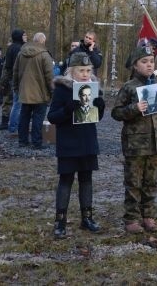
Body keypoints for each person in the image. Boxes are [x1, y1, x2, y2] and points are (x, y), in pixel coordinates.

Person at [112, 45, 157, 234]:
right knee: (133, 183)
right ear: (135, 65)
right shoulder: (129, 87)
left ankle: (148, 215)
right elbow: (116, 112)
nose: (148, 65)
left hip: (155, 144)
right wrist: (134, 108)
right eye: (144, 62)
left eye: (151, 61)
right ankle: (131, 218)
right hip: (135, 146)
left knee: (151, 182)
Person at [46, 51, 106, 237]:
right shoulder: (62, 90)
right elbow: (52, 117)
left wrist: (100, 106)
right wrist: (67, 109)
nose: (86, 74)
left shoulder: (93, 87)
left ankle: (87, 218)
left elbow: (96, 118)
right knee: (66, 181)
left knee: (86, 180)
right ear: (72, 71)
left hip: (88, 142)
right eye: (81, 70)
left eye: (88, 70)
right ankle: (60, 222)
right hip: (68, 143)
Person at [13, 32, 54, 150]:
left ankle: (22, 141)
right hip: (40, 93)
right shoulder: (45, 55)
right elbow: (49, 76)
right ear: (43, 41)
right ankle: (36, 143)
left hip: (24, 92)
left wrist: (16, 88)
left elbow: (15, 72)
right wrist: (52, 92)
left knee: (24, 116)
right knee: (38, 118)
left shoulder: (21, 53)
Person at [1, 29, 27, 134]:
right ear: (19, 36)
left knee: (15, 103)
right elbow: (15, 66)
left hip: (13, 77)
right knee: (17, 104)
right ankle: (13, 127)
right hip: (18, 78)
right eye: (24, 35)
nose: (26, 37)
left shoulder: (11, 47)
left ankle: (12, 125)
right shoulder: (19, 48)